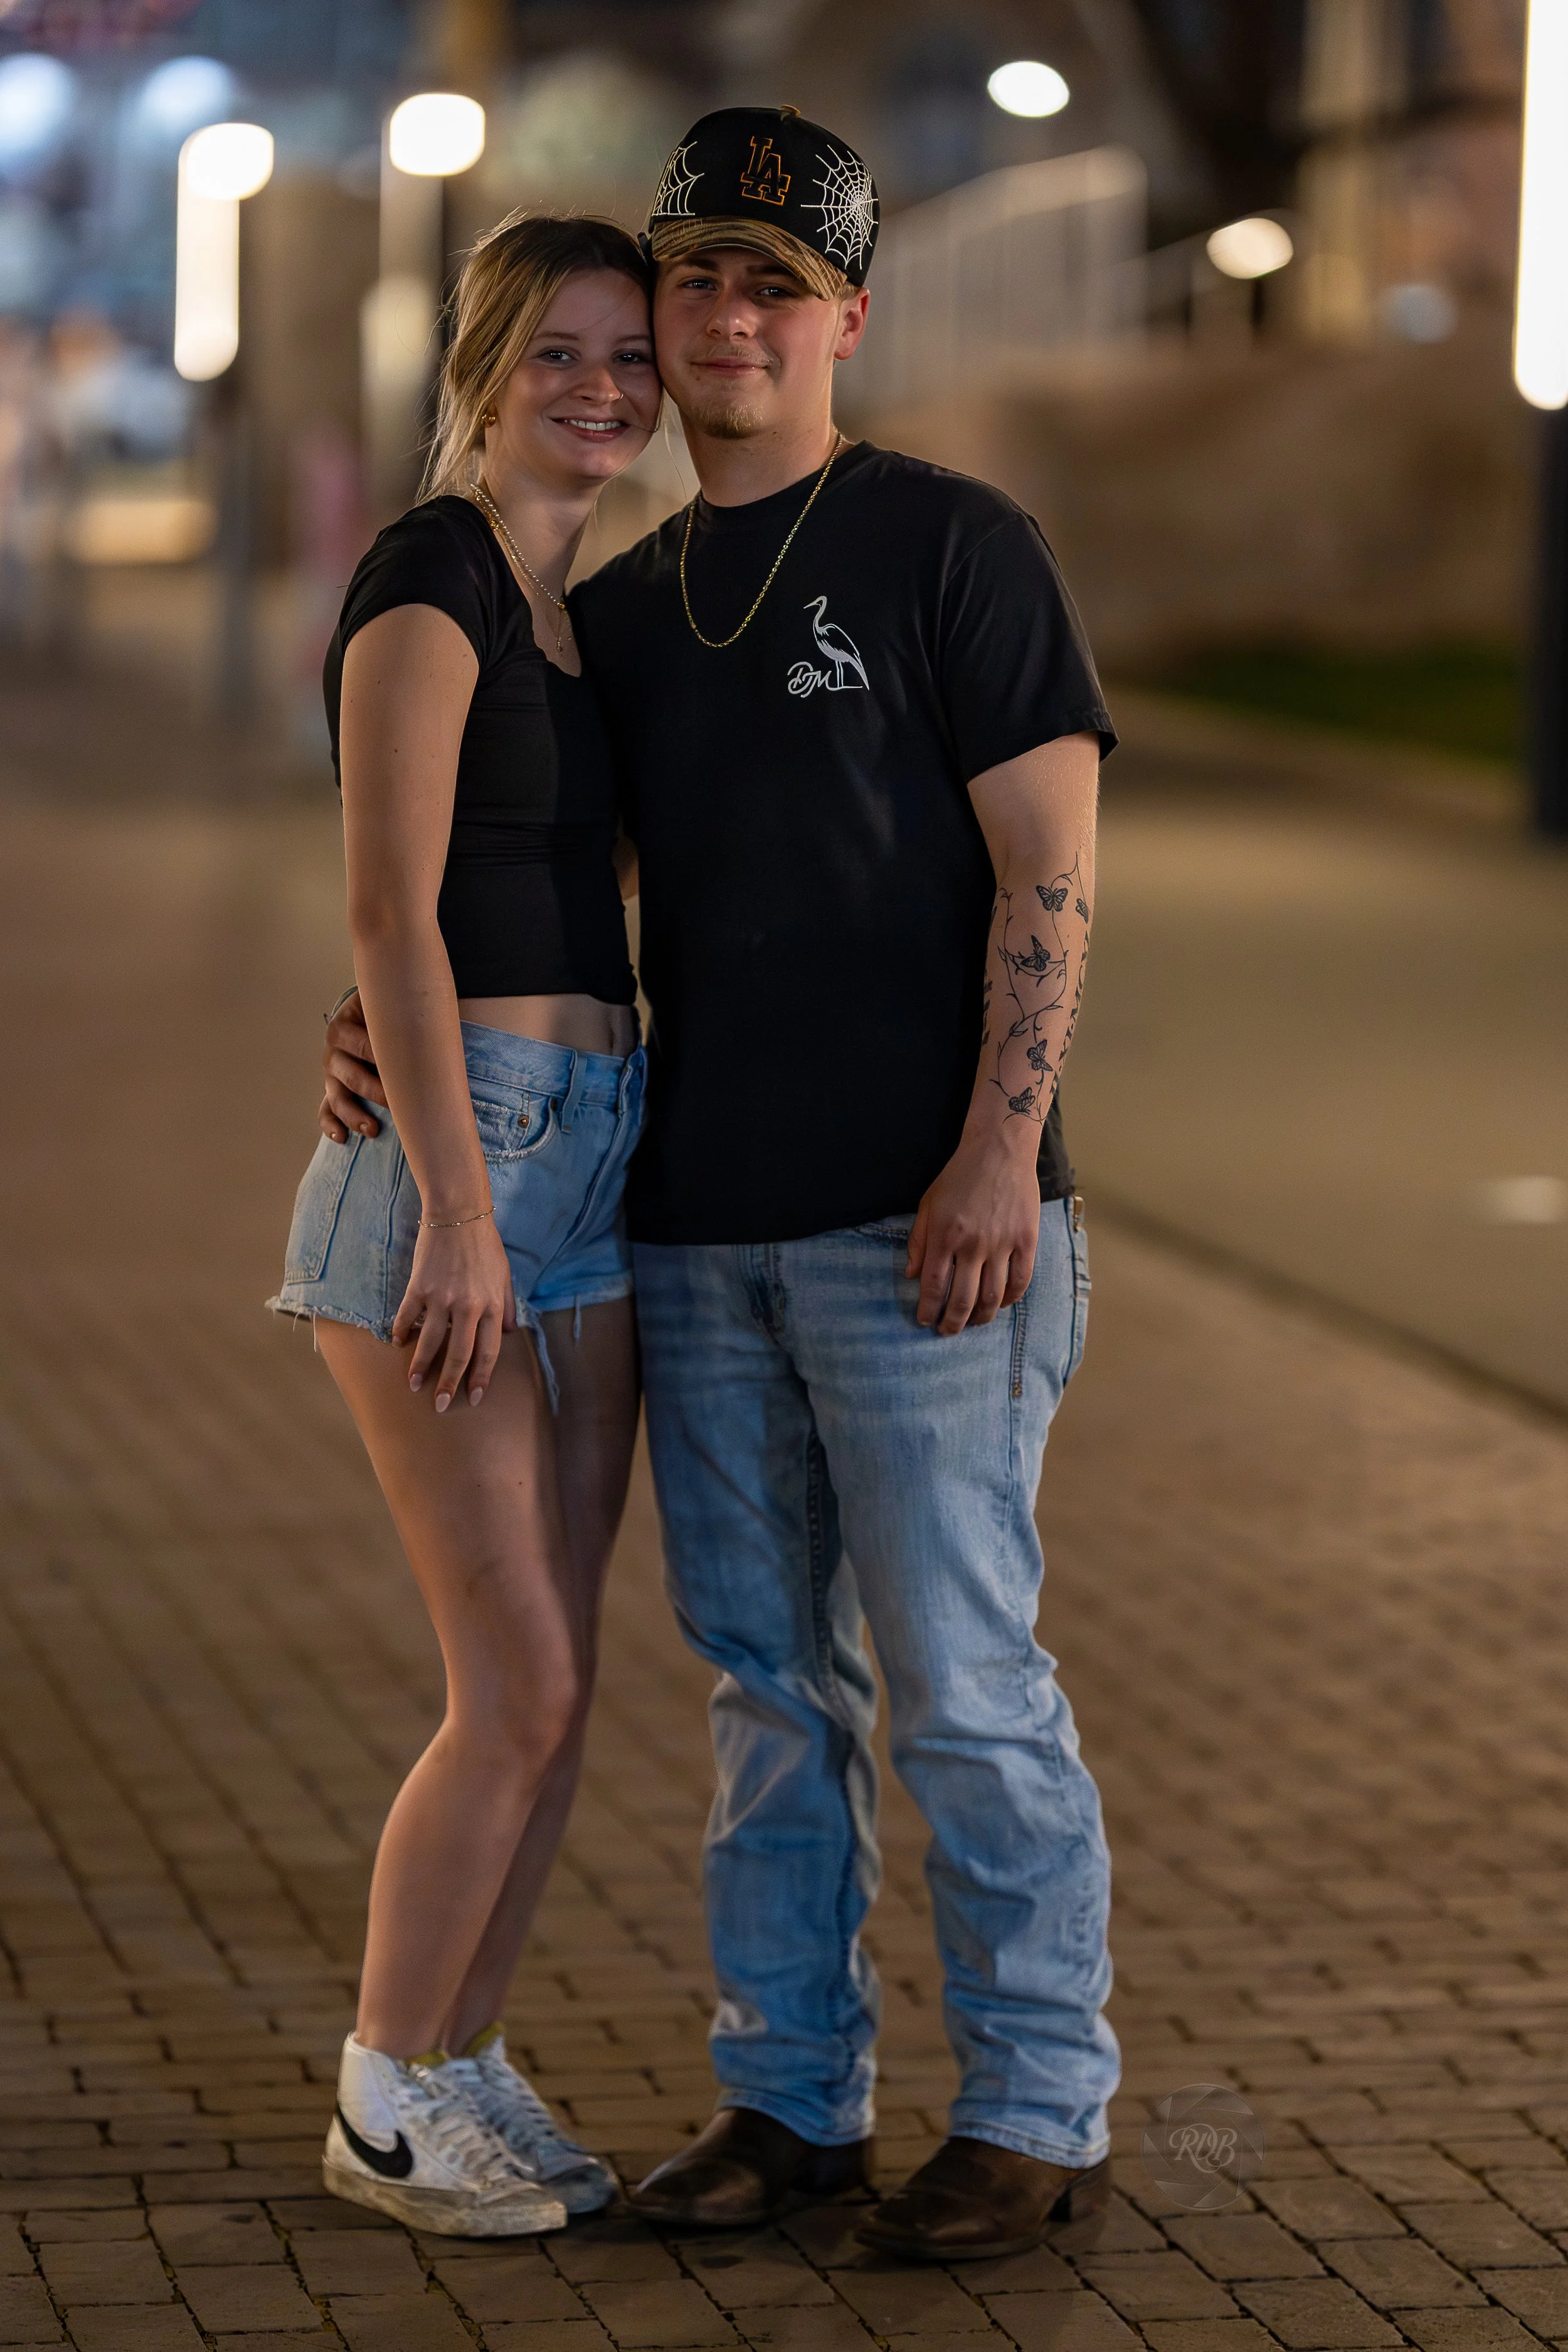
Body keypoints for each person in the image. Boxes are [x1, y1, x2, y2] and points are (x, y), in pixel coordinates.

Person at [321, 106, 1121, 2264]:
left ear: (845, 315)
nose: (726, 318)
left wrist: (993, 1154)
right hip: (684, 1225)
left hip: (925, 1226)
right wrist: (383, 1015)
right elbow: (530, 868)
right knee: (769, 1682)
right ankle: (789, 2095)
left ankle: (1037, 2099)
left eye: (776, 283)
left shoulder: (957, 546)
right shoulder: (630, 606)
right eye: (697, 282)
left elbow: (1050, 879)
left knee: (963, 1676)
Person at [270, 213, 662, 2235]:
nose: (600, 387)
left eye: (629, 355)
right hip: (468, 1170)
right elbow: (385, 912)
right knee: (504, 1679)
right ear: (484, 364)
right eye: (560, 352)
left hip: (593, 1141)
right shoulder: (429, 579)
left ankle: (464, 2055)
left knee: (566, 1681)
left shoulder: (586, 600)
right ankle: (383, 2095)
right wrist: (450, 1203)